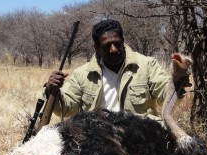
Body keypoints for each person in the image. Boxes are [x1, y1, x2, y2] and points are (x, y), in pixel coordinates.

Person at [45, 19, 188, 121]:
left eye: (117, 44)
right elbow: (67, 109)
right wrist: (53, 92)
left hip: (140, 137)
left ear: (123, 41)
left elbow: (164, 93)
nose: (113, 50)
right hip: (98, 138)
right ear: (96, 48)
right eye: (107, 46)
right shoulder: (82, 74)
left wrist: (176, 84)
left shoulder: (147, 65)